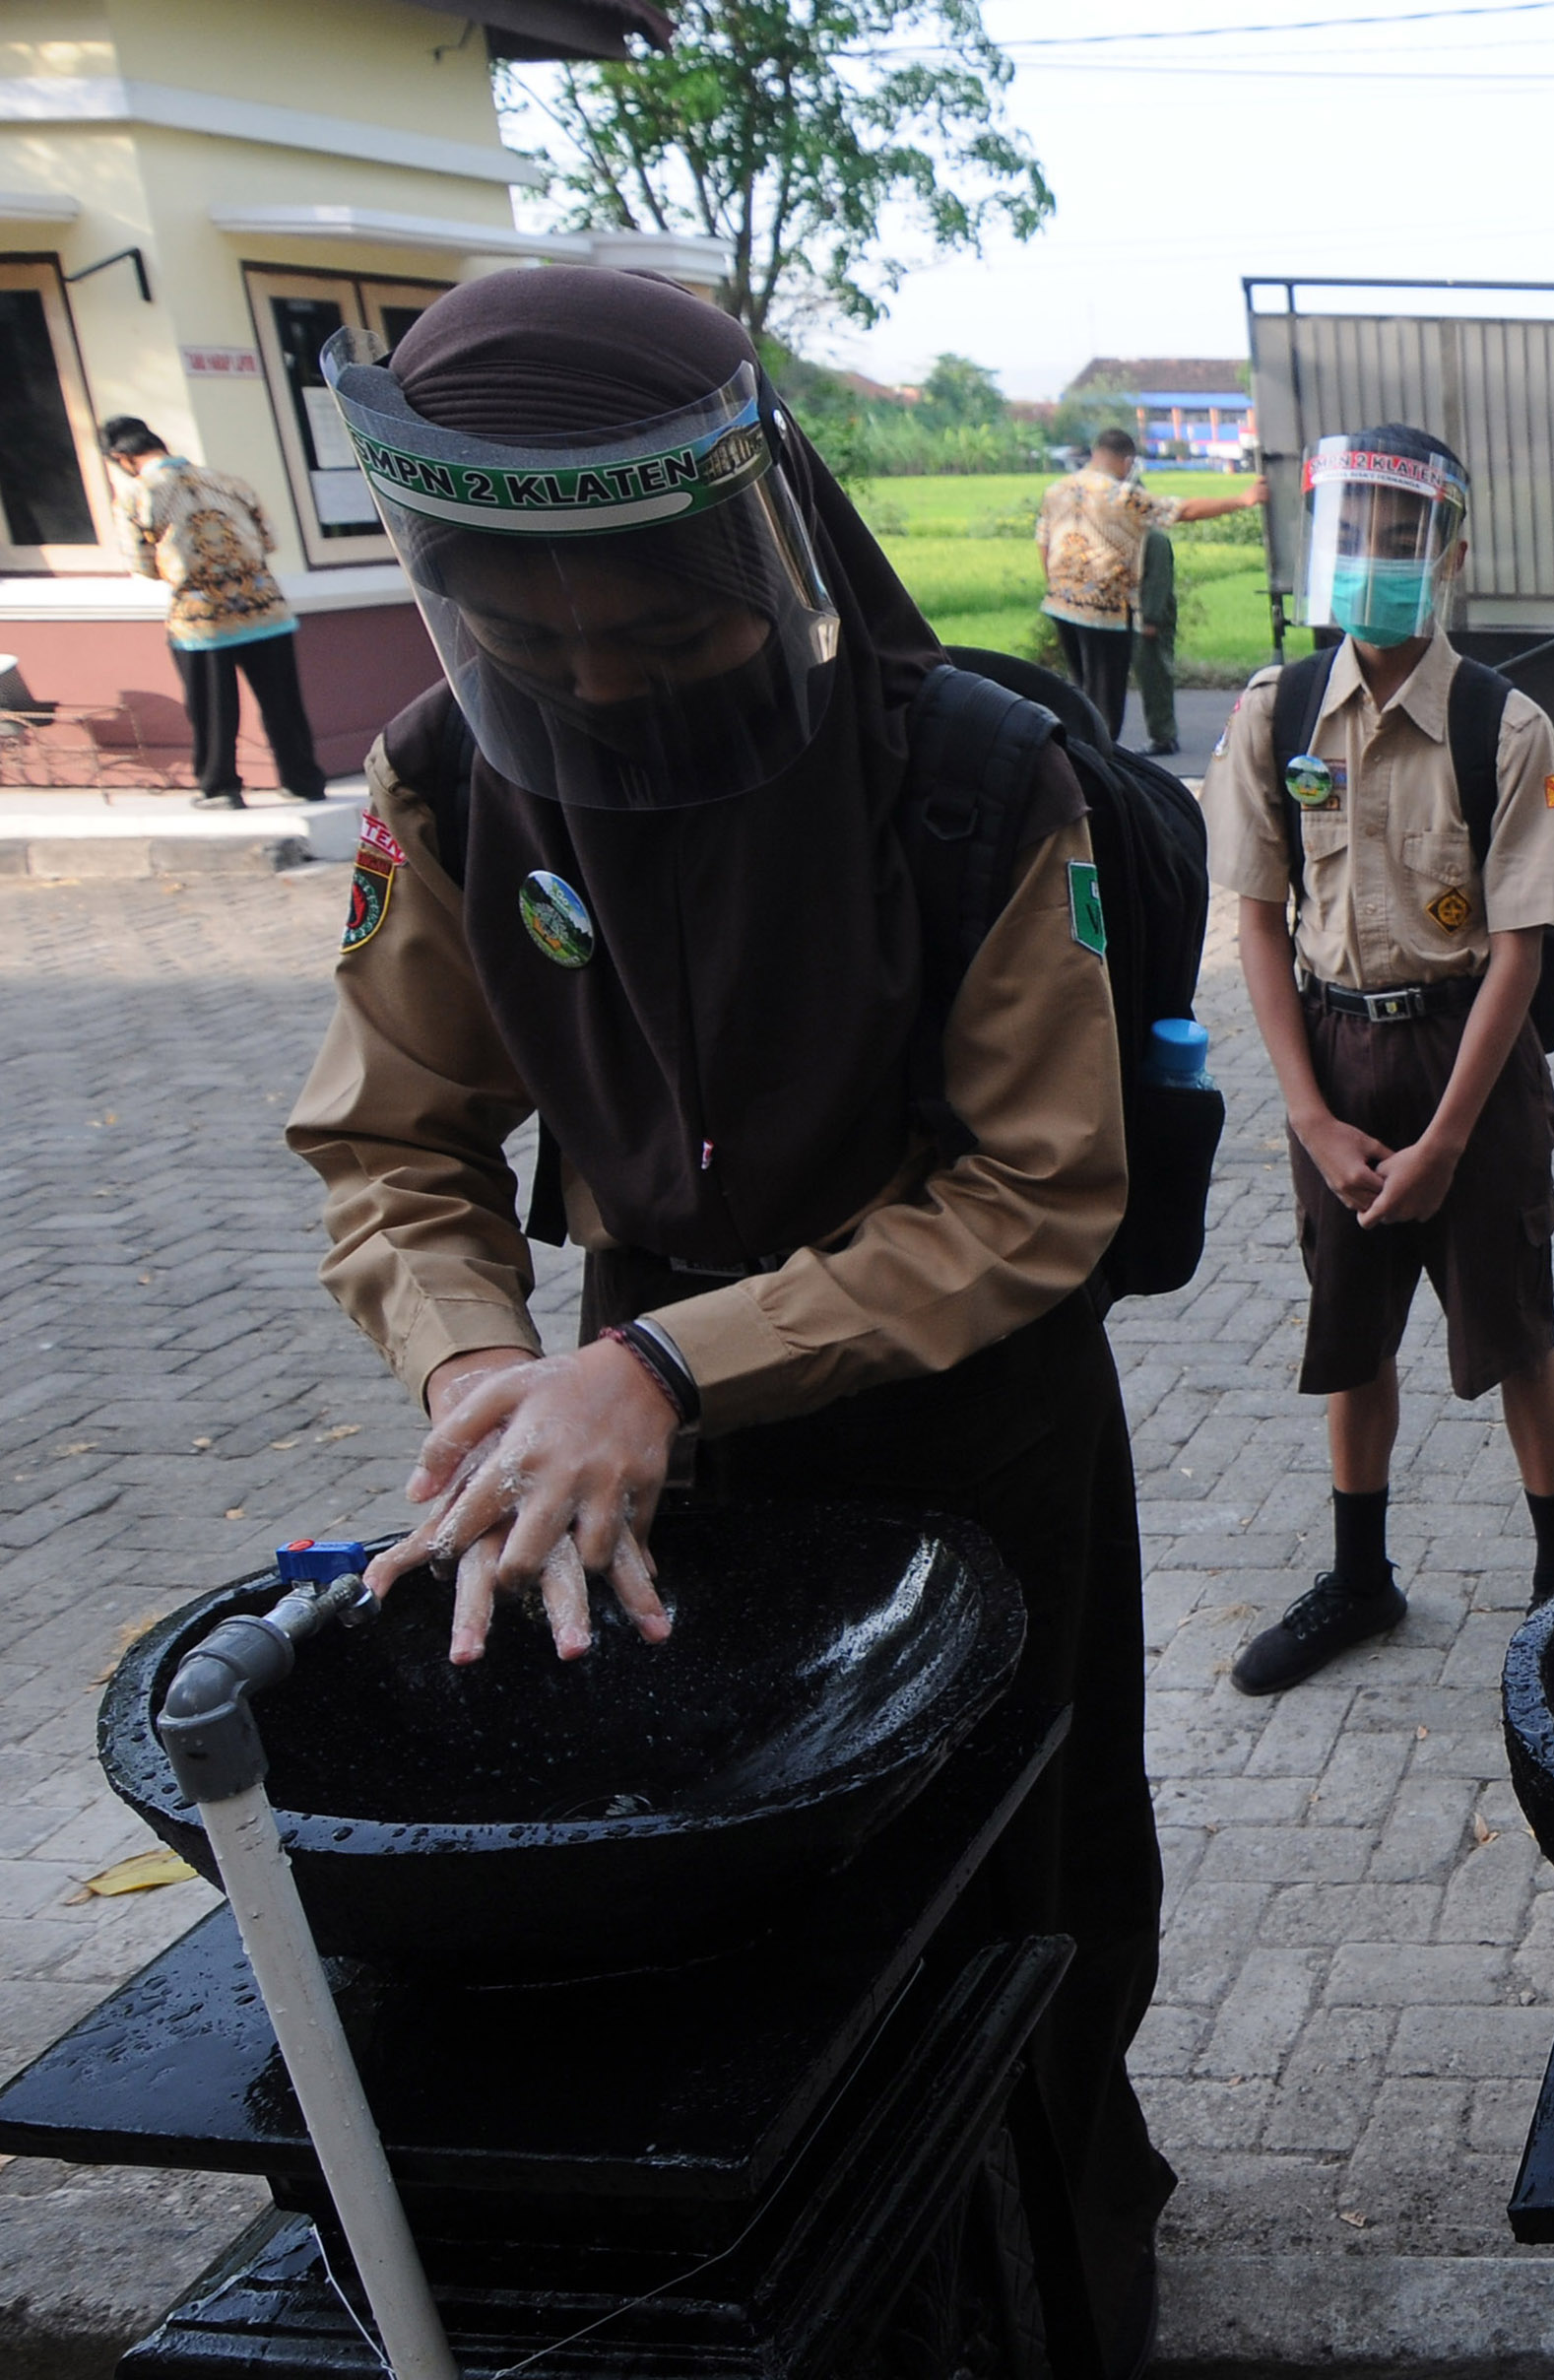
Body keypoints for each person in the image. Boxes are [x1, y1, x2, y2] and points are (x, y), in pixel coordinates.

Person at [280, 267, 1174, 2376]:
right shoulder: (445, 787)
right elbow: (392, 1149)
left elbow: (1036, 1189)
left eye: (662, 636)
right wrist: (491, 1370)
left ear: (761, 556)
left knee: (1028, 1891)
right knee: (716, 1910)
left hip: (972, 1421)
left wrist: (675, 1363)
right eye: (535, 646)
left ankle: (1063, 2272)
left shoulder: (969, 782)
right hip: (615, 1425)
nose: (605, 693)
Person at [1205, 426, 1554, 1692]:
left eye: (1400, 537)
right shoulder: (1276, 716)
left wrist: (1447, 1141)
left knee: (1516, 1329)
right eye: (1348, 533)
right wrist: (1308, 1118)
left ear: (1450, 557)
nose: (1370, 560)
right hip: (1336, 1064)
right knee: (1349, 1336)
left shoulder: (1502, 724)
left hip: (1468, 1065)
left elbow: (1522, 950)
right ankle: (1360, 1578)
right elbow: (1259, 922)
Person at [100, 415, 326, 808]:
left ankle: (221, 786)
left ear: (122, 458)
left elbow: (141, 563)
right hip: (265, 606)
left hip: (200, 615)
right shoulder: (229, 482)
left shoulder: (136, 495)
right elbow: (269, 539)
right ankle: (303, 781)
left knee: (212, 708)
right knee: (283, 703)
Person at [1041, 428, 1257, 743]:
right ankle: (1098, 767)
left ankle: (1080, 755)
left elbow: (1043, 544)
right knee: (1105, 699)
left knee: (1080, 688)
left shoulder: (1056, 490)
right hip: (1105, 609)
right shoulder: (1120, 495)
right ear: (1127, 461)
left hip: (1061, 605)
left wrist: (1057, 585)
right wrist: (1242, 499)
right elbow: (1183, 510)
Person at [1133, 516, 1183, 757]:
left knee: (1155, 676)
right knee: (1150, 673)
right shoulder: (1137, 537)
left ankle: (1163, 735)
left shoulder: (1154, 539)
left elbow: (1158, 582)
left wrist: (1151, 619)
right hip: (1139, 615)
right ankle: (1162, 733)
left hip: (1150, 617)